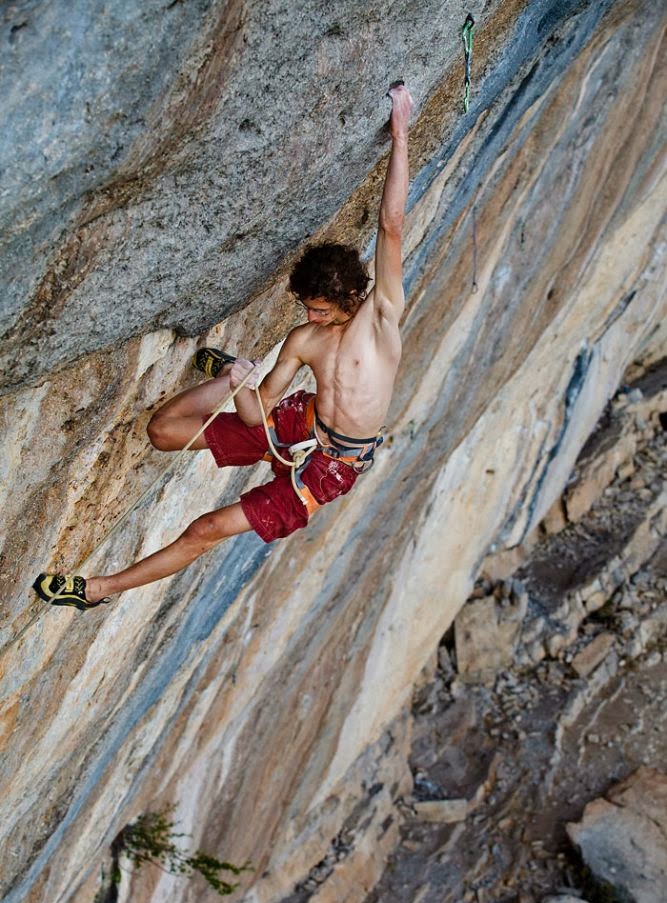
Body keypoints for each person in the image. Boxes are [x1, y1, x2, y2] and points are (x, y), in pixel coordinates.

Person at [33, 83, 414, 610]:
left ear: (349, 296)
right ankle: (221, 371)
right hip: (300, 424)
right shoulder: (304, 339)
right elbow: (257, 417)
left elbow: (391, 227)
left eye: (319, 309)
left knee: (205, 527)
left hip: (328, 467)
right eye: (306, 308)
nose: (309, 318)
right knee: (161, 432)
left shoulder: (381, 317)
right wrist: (241, 384)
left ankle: (97, 591)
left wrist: (400, 132)